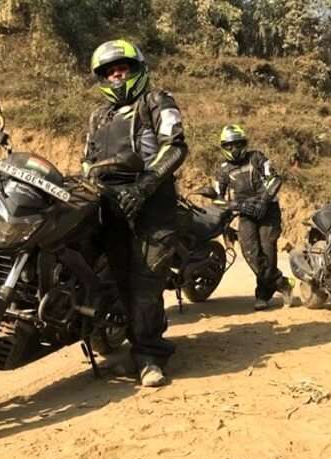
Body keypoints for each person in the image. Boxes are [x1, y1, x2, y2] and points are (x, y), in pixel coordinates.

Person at [83, 39, 188, 386]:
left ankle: (150, 357)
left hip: (153, 206)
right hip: (111, 207)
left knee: (145, 282)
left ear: (136, 70)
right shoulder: (99, 115)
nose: (115, 75)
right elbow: (88, 161)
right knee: (117, 279)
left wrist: (144, 186)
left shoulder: (157, 101)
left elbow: (174, 147)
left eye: (122, 68)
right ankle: (133, 346)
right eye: (109, 71)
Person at [213, 124, 295, 310]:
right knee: (250, 254)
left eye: (238, 144)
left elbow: (275, 179)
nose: (234, 149)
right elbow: (217, 198)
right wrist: (236, 205)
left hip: (268, 211)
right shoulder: (223, 169)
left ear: (245, 143)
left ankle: (262, 295)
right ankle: (282, 283)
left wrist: (264, 201)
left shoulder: (257, 157)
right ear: (223, 147)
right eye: (229, 146)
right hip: (245, 214)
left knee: (268, 252)